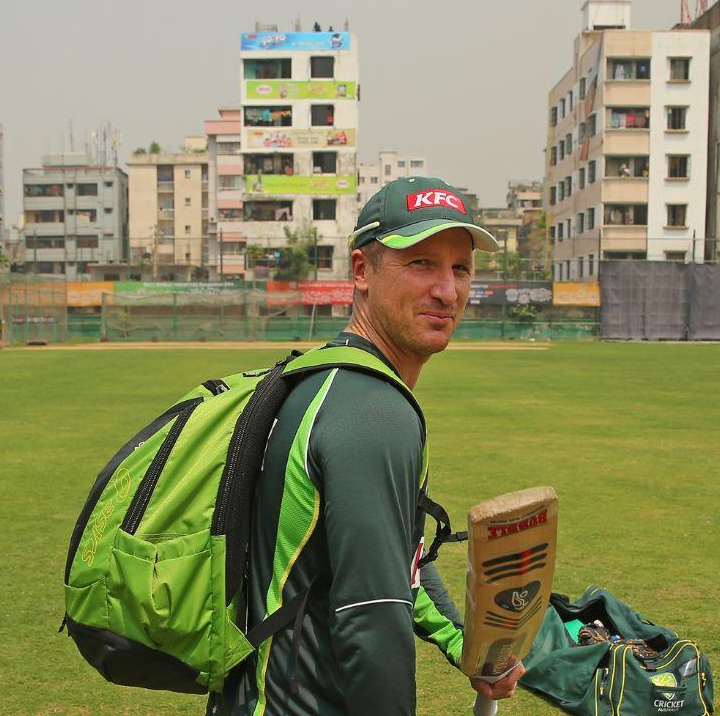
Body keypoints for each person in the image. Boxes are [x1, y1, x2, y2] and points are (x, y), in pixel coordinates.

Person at [212, 177, 520, 716]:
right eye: (421, 263)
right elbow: (374, 616)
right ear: (361, 272)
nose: (447, 290)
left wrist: (465, 646)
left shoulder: (324, 380)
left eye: (460, 268)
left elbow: (398, 565)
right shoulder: (373, 412)